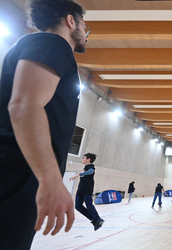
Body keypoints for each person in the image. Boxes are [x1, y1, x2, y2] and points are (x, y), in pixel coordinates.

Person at [0, 0, 89, 248]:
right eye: (85, 26)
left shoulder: (41, 45)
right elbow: (24, 106)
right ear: (71, 21)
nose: (86, 33)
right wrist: (51, 181)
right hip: (16, 175)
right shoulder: (53, 43)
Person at [69, 153, 104, 230]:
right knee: (78, 206)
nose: (82, 159)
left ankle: (98, 219)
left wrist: (79, 174)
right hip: (80, 189)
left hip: (87, 190)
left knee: (89, 205)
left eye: (84, 158)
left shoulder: (91, 167)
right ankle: (93, 220)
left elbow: (91, 171)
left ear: (88, 159)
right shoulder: (85, 167)